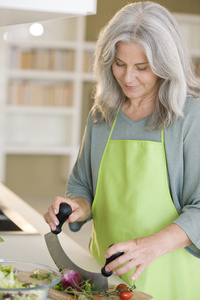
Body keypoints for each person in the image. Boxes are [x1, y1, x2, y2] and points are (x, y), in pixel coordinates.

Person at [44, 2, 200, 299]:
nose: (128, 78)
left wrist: (152, 245)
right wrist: (77, 208)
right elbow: (83, 185)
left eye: (142, 68)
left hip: (172, 280)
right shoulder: (103, 114)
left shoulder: (191, 116)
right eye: (119, 63)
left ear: (167, 64)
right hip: (106, 279)